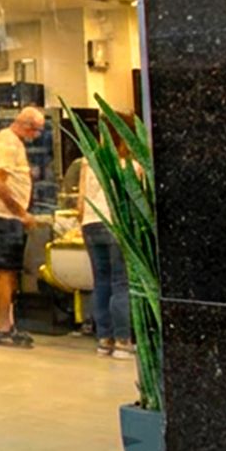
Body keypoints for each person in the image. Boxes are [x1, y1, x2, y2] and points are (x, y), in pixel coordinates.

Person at [0, 107, 45, 348]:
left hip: (9, 217)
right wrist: (21, 213)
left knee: (11, 270)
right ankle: (3, 327)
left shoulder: (14, 143)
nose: (36, 136)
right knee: (5, 271)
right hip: (3, 216)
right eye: (37, 131)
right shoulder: (7, 143)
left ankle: (9, 323)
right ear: (27, 126)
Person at [79, 134, 134, 359]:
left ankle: (104, 340)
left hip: (90, 223)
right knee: (120, 282)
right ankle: (122, 341)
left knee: (101, 282)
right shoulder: (131, 165)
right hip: (115, 223)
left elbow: (81, 200)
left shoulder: (88, 162)